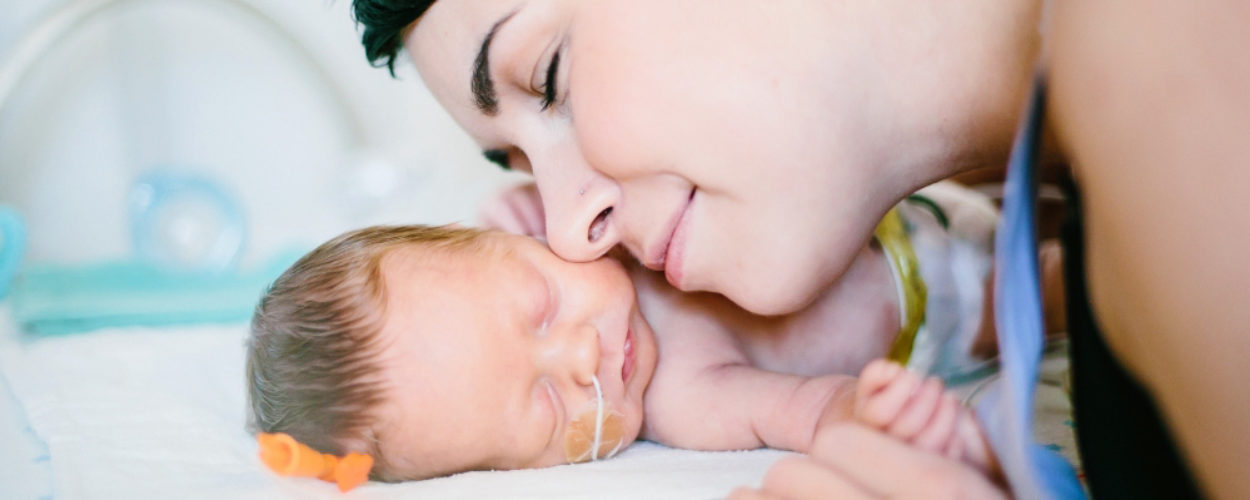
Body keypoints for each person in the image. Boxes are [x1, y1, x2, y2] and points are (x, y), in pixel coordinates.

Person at [351, 0, 1250, 497]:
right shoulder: (1064, 178)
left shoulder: (1170, 47)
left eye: (549, 76)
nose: (561, 228)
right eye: (516, 162)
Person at [245, 225, 997, 481]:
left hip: (893, 211)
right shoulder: (688, 398)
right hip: (939, 300)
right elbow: (805, 408)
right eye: (545, 406)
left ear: (520, 237)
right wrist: (871, 411)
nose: (579, 356)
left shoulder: (603, 228)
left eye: (540, 308)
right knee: (1062, 278)